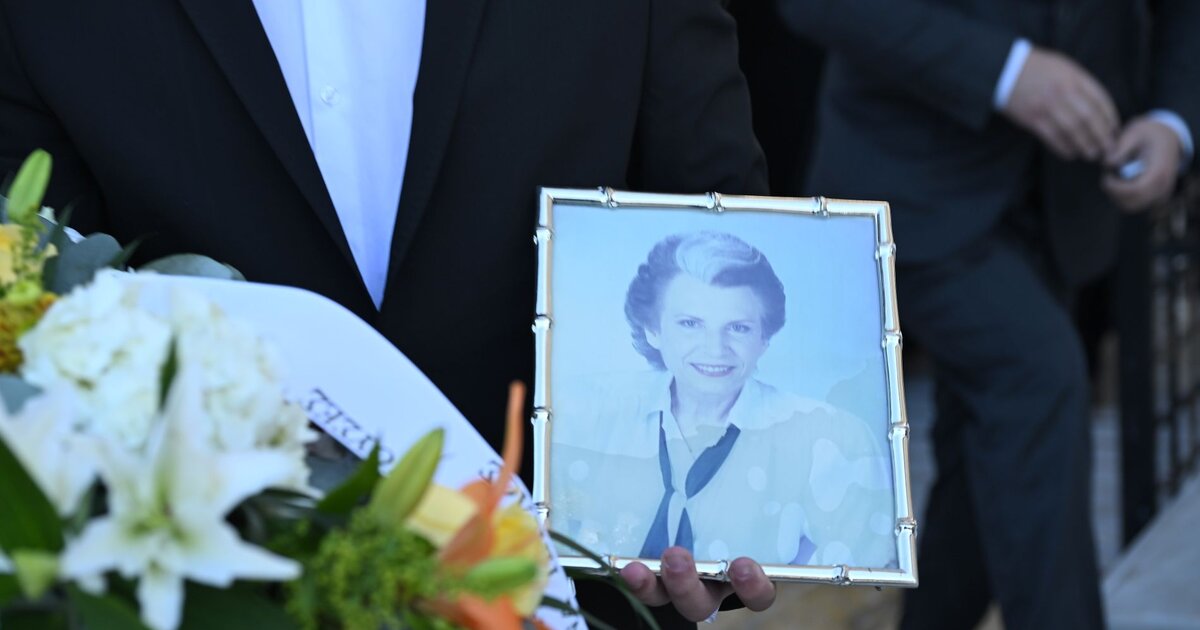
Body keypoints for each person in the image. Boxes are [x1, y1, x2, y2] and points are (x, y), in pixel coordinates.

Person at [0, 0, 774, 626]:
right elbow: (37, 309)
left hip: (573, 595)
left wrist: (727, 534)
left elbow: (722, 234)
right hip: (200, 594)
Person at [776, 1, 1200, 628]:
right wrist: (1005, 71)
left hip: (1068, 192)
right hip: (909, 179)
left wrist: (1173, 120)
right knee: (1039, 378)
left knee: (990, 451)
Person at [551, 231, 896, 568]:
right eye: (690, 323)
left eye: (738, 328)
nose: (715, 349)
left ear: (764, 338)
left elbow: (861, 584)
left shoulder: (831, 438)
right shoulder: (582, 414)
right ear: (653, 330)